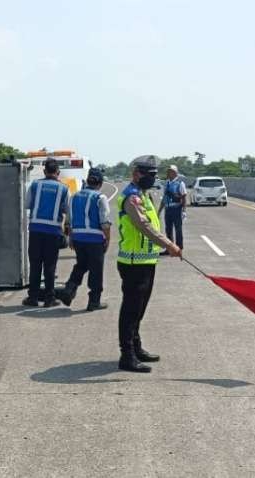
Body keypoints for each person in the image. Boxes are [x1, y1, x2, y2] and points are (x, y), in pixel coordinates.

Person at [117, 155, 182, 373]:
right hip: (133, 262)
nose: (153, 179)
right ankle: (126, 355)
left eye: (155, 175)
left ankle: (136, 347)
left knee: (140, 309)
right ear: (136, 174)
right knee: (131, 310)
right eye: (149, 175)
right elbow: (144, 226)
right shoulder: (132, 197)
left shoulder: (145, 195)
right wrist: (169, 245)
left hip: (146, 261)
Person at [57, 168, 112, 311]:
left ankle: (69, 290)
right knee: (96, 270)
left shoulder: (75, 196)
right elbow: (105, 222)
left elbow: (68, 219)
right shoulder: (100, 198)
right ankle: (94, 301)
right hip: (94, 239)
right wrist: (107, 239)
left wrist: (71, 237)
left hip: (79, 238)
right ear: (100, 183)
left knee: (81, 265)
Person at [23, 158, 69, 307]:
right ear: (58, 172)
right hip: (53, 231)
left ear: (44, 171)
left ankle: (33, 298)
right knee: (50, 266)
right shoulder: (63, 188)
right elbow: (67, 210)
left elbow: (27, 204)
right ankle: (49, 299)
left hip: (36, 230)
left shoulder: (35, 185)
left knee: (35, 265)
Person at [157, 164, 186, 254]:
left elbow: (184, 197)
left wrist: (184, 211)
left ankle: (179, 248)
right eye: (168, 171)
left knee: (178, 229)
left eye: (170, 171)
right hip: (168, 209)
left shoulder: (180, 183)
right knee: (168, 229)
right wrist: (159, 211)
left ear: (175, 173)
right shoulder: (167, 183)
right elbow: (164, 198)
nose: (168, 173)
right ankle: (169, 249)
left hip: (177, 209)